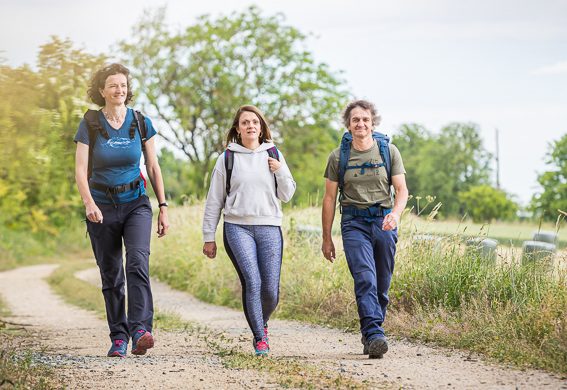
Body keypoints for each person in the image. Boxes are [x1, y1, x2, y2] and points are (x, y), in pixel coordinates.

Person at [74, 63, 169, 358]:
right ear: (101, 90)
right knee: (111, 273)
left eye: (123, 85)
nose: (119, 90)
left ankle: (140, 329)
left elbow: (153, 167)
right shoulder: (89, 123)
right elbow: (79, 170)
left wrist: (163, 206)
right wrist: (89, 203)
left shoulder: (140, 122)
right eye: (113, 85)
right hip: (101, 206)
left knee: (137, 262)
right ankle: (118, 336)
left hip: (136, 203)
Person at [202, 105, 296, 356]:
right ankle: (259, 337)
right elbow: (214, 200)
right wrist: (208, 236)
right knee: (252, 282)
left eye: (255, 122)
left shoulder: (273, 154)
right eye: (245, 122)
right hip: (237, 228)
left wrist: (281, 169)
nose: (250, 126)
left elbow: (287, 194)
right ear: (238, 128)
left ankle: (260, 322)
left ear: (261, 127)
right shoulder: (227, 158)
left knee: (270, 292)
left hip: (270, 226)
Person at [321, 100, 408, 359]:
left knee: (382, 282)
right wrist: (327, 238)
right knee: (364, 277)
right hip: (353, 222)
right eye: (355, 120)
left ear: (373, 123)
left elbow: (402, 190)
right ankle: (374, 333)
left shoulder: (388, 151)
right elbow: (328, 199)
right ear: (348, 124)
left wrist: (395, 214)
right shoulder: (338, 156)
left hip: (383, 220)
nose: (360, 124)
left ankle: (372, 329)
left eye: (365, 120)